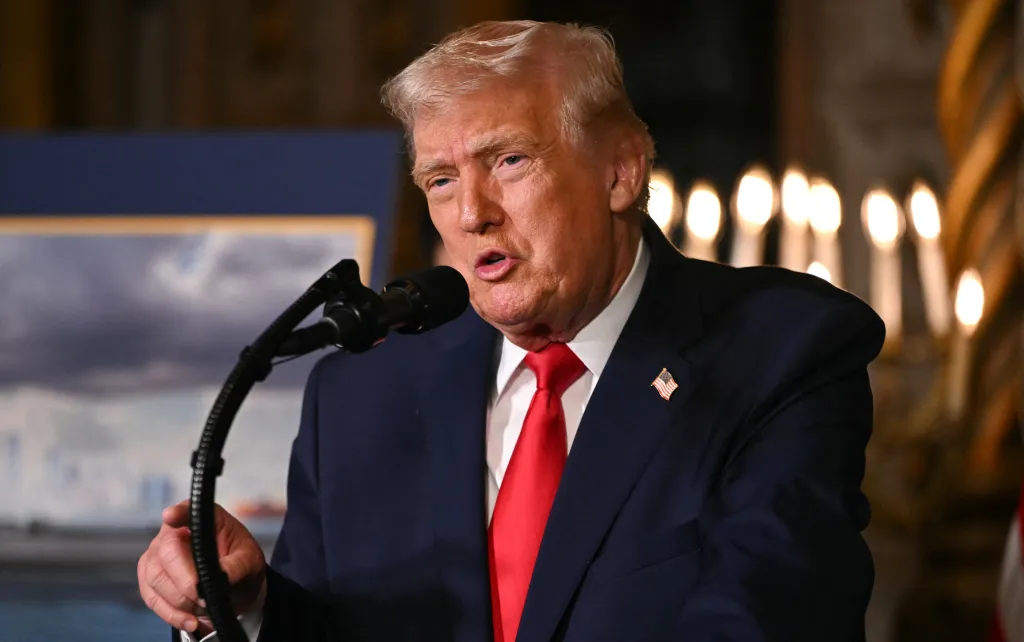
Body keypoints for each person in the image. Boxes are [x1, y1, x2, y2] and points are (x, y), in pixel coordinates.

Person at [138, 20, 884, 642]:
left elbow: (766, 616)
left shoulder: (780, 351)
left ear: (621, 171)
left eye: (510, 160)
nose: (472, 214)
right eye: (441, 180)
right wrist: (246, 607)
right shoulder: (361, 398)